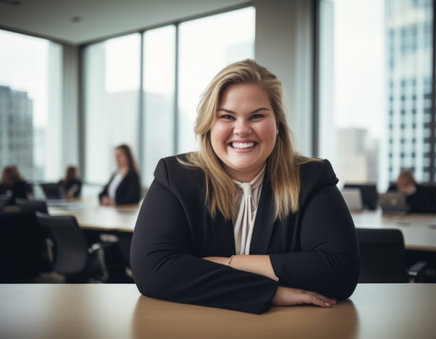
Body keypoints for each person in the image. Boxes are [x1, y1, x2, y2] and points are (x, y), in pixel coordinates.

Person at [130, 60, 360, 314]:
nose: (241, 129)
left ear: (278, 124)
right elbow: (153, 270)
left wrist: (229, 263)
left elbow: (340, 272)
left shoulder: (312, 178)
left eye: (257, 116)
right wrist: (271, 292)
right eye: (227, 116)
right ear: (209, 125)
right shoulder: (176, 176)